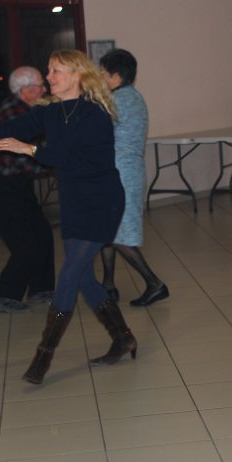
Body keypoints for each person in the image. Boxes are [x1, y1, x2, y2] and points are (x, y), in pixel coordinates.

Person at [0, 49, 135, 384]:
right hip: (74, 203)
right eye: (49, 70)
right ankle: (123, 337)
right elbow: (7, 127)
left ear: (77, 75)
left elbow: (77, 160)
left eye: (56, 70)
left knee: (69, 274)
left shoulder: (96, 115)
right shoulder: (49, 112)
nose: (49, 77)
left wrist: (30, 149)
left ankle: (43, 357)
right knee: (84, 278)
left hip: (101, 203)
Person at [97, 49, 169, 307]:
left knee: (118, 235)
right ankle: (108, 284)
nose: (100, 77)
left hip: (121, 174)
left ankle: (154, 284)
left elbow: (97, 135)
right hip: (125, 171)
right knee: (108, 229)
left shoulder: (118, 100)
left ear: (115, 75)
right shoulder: (132, 96)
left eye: (102, 73)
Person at [0, 66, 55, 313]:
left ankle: (41, 289)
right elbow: (21, 157)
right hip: (4, 187)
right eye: (40, 86)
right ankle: (4, 295)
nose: (44, 89)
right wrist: (55, 162)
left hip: (17, 183)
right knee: (26, 244)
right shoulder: (13, 114)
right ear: (26, 90)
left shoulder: (23, 109)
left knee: (42, 234)